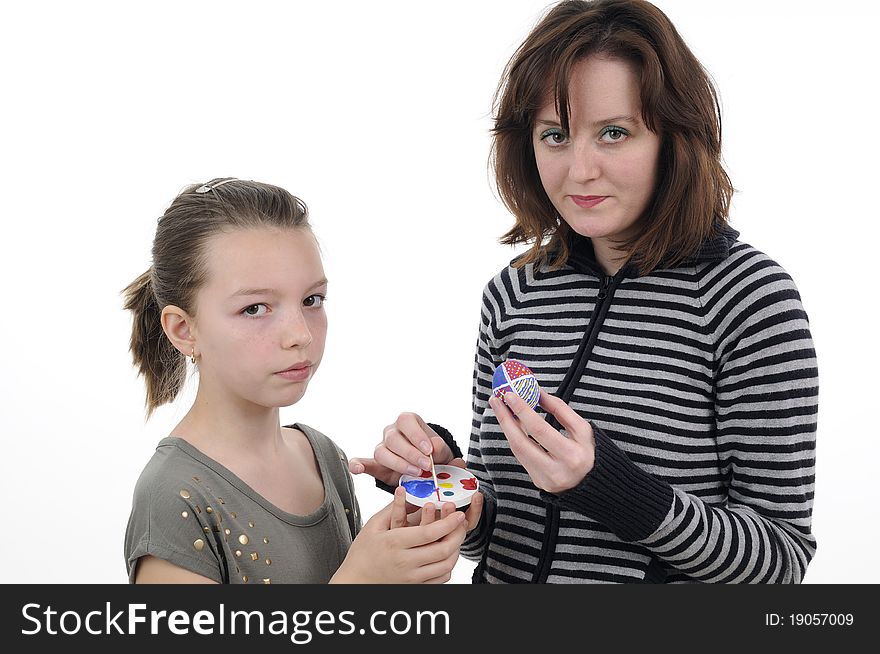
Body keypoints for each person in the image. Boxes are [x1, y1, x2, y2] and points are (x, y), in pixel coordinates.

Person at [351, 0, 818, 583]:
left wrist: (606, 487)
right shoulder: (513, 294)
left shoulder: (747, 298)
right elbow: (503, 522)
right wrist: (450, 482)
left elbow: (779, 562)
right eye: (556, 135)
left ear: (674, 137)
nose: (579, 170)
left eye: (614, 133)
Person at [122, 178, 481, 584]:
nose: (301, 335)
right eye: (255, 308)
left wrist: (412, 542)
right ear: (184, 330)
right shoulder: (172, 498)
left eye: (312, 301)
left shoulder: (322, 456)